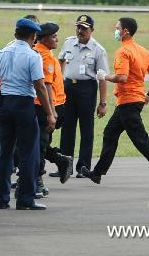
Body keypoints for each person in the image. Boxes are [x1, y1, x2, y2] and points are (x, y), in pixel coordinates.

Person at [80, 18, 149, 190]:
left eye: (117, 28)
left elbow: (122, 77)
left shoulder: (123, 51)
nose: (115, 30)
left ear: (125, 31)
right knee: (110, 133)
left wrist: (104, 76)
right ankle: (97, 173)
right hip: (134, 100)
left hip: (128, 101)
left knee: (141, 140)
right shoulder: (143, 51)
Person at [0, 18, 55, 211]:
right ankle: (25, 199)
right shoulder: (33, 56)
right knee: (29, 154)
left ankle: (0, 198)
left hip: (6, 106)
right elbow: (40, 86)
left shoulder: (1, 54)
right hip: (24, 106)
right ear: (33, 36)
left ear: (16, 33)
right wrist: (49, 113)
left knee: (5, 153)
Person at [57, 14, 109, 176]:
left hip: (86, 89)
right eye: (78, 27)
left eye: (84, 29)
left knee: (86, 128)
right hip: (68, 87)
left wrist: (103, 103)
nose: (80, 31)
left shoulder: (98, 50)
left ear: (92, 30)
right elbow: (60, 60)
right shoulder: (68, 42)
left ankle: (83, 167)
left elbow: (102, 78)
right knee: (67, 127)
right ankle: (65, 166)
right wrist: (60, 80)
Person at [32, 23, 73, 195]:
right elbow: (46, 85)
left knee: (39, 144)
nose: (57, 39)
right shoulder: (44, 55)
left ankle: (38, 179)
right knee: (39, 144)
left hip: (48, 105)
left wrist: (51, 112)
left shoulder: (43, 53)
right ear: (43, 38)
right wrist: (51, 111)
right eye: (53, 36)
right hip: (47, 105)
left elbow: (48, 84)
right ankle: (58, 162)